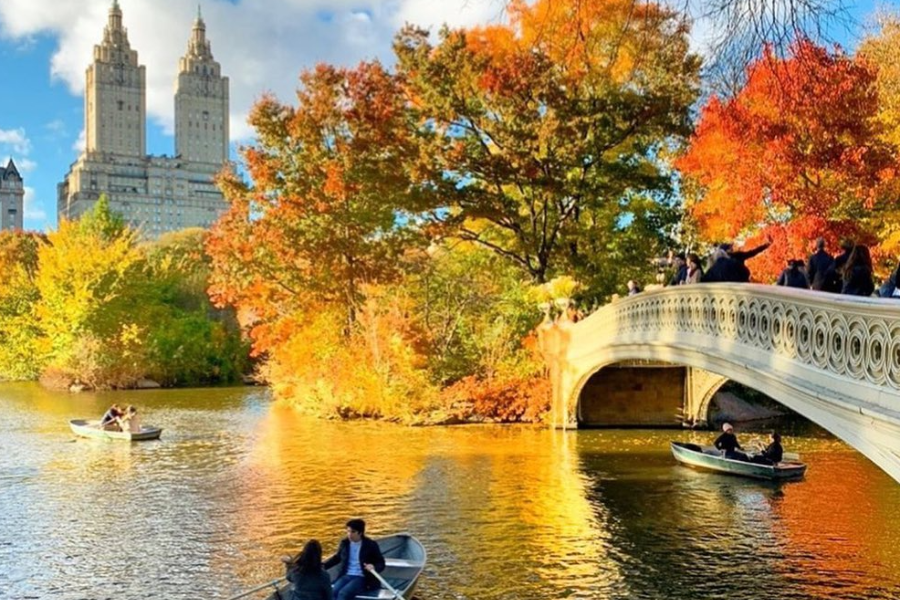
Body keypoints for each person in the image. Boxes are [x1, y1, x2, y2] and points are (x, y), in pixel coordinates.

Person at [324, 519, 386, 600]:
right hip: (346, 575)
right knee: (333, 592)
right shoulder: (345, 543)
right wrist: (322, 566)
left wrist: (373, 566)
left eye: (353, 532)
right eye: (348, 531)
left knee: (344, 593)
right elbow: (337, 558)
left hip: (362, 577)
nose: (349, 534)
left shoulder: (370, 545)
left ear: (360, 533)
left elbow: (381, 562)